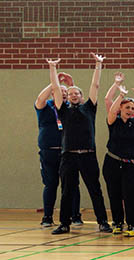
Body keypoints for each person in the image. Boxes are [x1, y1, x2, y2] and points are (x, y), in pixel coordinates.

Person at [47, 56, 113, 235]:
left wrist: (98, 64)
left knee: (95, 190)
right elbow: (55, 88)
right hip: (68, 155)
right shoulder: (62, 109)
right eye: (71, 93)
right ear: (66, 97)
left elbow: (95, 86)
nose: (74, 95)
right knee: (67, 190)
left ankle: (103, 222)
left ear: (82, 97)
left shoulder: (89, 107)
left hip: (88, 155)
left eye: (77, 93)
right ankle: (64, 224)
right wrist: (53, 68)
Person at [103, 78, 134, 237]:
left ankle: (132, 224)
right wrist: (120, 95)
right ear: (121, 108)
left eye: (132, 108)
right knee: (114, 193)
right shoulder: (113, 121)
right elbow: (111, 110)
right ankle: (117, 222)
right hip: (112, 161)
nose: (130, 110)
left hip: (130, 164)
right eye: (127, 107)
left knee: (129, 194)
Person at [35, 79, 82, 227]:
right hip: (49, 152)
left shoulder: (69, 108)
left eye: (65, 92)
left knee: (72, 184)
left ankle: (75, 216)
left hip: (67, 152)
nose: (62, 94)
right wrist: (54, 82)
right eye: (58, 91)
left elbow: (79, 100)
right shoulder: (46, 106)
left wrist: (70, 85)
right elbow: (40, 98)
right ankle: (47, 217)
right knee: (50, 184)